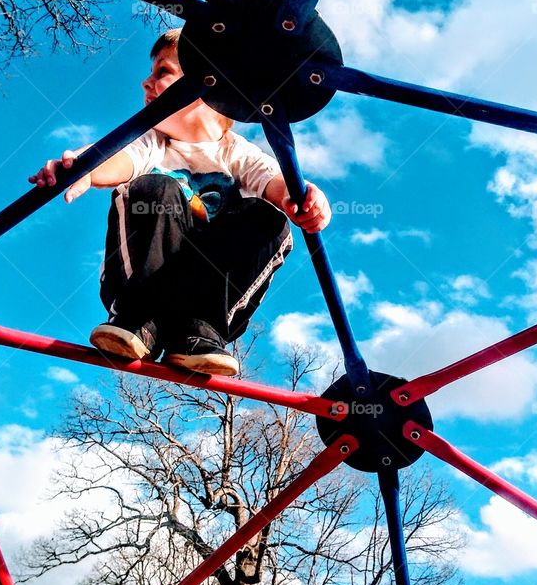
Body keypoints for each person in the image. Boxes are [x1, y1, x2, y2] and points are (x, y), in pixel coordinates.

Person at [29, 29, 331, 376]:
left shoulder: (237, 153)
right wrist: (83, 168)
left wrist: (301, 197)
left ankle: (200, 329)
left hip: (212, 303)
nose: (145, 83)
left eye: (162, 72)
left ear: (207, 85)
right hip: (139, 288)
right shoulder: (153, 142)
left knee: (268, 218)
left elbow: (275, 182)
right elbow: (119, 159)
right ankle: (140, 320)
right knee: (156, 188)